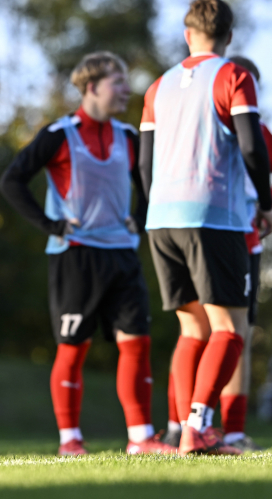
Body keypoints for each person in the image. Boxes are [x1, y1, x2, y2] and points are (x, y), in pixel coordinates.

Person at [0, 52, 175, 456]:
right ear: (92, 87)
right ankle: (70, 441)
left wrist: (139, 218)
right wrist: (52, 225)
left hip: (123, 256)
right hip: (75, 256)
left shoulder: (129, 136)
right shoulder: (60, 134)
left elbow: (152, 184)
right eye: (119, 82)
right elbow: (12, 181)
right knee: (74, 347)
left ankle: (141, 438)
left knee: (136, 343)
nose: (127, 89)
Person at [139, 0, 272, 455]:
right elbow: (253, 148)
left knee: (192, 329)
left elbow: (144, 163)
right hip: (213, 216)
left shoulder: (157, 87)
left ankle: (180, 430)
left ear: (186, 33)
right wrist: (266, 204)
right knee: (230, 328)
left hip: (162, 219)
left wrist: (154, 208)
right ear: (229, 36)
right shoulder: (235, 75)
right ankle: (199, 427)